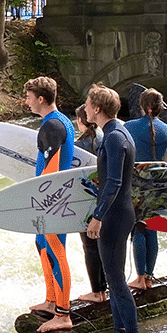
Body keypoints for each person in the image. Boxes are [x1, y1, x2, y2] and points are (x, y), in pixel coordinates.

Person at [83, 84, 143, 333]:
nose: (84, 108)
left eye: (87, 104)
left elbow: (115, 182)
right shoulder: (117, 132)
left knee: (117, 280)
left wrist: (98, 217)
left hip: (116, 215)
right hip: (118, 212)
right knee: (111, 275)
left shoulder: (115, 138)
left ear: (97, 108)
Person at [21, 77, 78, 332]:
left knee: (56, 251)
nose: (26, 102)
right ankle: (51, 300)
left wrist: (38, 199)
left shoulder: (52, 126)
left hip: (53, 200)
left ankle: (63, 313)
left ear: (40, 99)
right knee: (42, 244)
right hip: (53, 198)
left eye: (29, 97)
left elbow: (52, 170)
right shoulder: (61, 120)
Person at [124, 88, 167, 291]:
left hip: (135, 185)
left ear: (143, 106)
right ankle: (150, 277)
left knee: (138, 229)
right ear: (161, 108)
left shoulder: (129, 126)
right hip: (158, 185)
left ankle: (139, 278)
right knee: (152, 229)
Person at [74, 103, 108, 304]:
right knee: (103, 244)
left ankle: (97, 292)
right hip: (105, 199)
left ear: (80, 121)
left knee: (90, 246)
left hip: (86, 201)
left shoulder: (78, 147)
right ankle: (105, 289)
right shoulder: (105, 138)